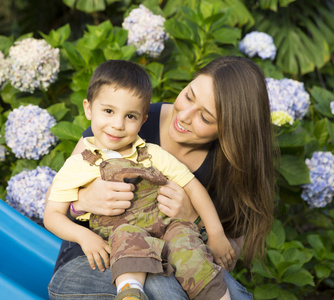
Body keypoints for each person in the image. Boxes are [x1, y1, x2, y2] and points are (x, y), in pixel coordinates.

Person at [46, 56, 277, 300]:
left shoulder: (231, 167)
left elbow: (224, 259)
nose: (185, 115)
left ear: (232, 130)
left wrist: (194, 219)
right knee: (162, 287)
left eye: (205, 117)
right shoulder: (123, 119)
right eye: (188, 95)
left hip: (178, 256)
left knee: (227, 290)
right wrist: (82, 202)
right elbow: (54, 206)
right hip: (94, 259)